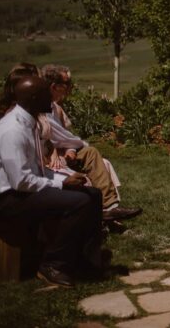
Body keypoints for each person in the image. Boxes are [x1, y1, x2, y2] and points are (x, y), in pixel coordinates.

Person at [0, 77, 104, 287]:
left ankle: (86, 261)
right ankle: (53, 264)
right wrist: (62, 184)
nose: (51, 98)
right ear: (35, 98)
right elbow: (21, 181)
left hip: (20, 191)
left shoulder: (29, 121)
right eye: (47, 94)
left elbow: (34, 170)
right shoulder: (13, 130)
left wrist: (65, 178)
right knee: (79, 202)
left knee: (93, 194)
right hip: (3, 199)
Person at [40, 64, 141, 222]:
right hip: (46, 159)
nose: (70, 88)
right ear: (54, 86)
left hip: (63, 153)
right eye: (67, 84)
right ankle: (99, 212)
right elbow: (52, 138)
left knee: (92, 153)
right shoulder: (40, 108)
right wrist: (58, 149)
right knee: (92, 155)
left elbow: (65, 137)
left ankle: (110, 207)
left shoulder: (55, 108)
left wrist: (71, 149)